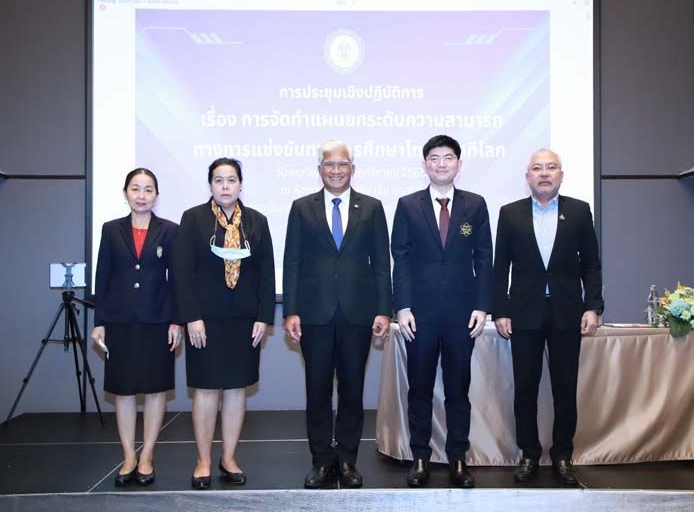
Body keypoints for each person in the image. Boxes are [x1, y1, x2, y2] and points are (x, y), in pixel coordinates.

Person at [283, 139, 392, 489]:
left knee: (352, 389)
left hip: (358, 314)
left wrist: (384, 310)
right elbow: (292, 262)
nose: (335, 170)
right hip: (314, 314)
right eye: (329, 164)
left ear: (352, 169)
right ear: (319, 170)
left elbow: (381, 264)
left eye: (342, 164)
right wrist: (290, 311)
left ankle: (347, 460)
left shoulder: (372, 208)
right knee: (316, 390)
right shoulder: (302, 208)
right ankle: (321, 461)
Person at [493, 149, 603, 486]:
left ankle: (562, 455)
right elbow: (500, 267)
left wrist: (593, 306)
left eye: (551, 167)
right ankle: (528, 454)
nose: (544, 173)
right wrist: (501, 310)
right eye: (537, 168)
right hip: (523, 314)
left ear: (561, 174)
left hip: (567, 313)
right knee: (525, 388)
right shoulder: (510, 213)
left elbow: (591, 264)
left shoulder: (579, 211)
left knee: (564, 388)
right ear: (528, 176)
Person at [391, 134, 493, 488]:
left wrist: (482, 305)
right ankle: (420, 457)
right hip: (419, 315)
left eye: (448, 157)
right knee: (419, 389)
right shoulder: (408, 205)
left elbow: (484, 258)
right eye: (434, 158)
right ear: (425, 165)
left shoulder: (475, 205)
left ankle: (458, 459)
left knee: (457, 390)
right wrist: (402, 306)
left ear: (458, 164)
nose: (441, 164)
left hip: (462, 315)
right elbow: (401, 258)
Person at [171, 158, 275, 490]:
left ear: (241, 185)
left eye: (231, 180)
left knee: (235, 390)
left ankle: (228, 458)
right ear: (210, 185)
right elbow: (182, 273)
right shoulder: (193, 219)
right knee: (205, 390)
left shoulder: (257, 221)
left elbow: (267, 273)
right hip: (204, 321)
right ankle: (203, 460)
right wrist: (191, 317)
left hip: (244, 322)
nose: (225, 186)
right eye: (219, 180)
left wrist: (264, 316)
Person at [90, 168, 182, 487]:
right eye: (135, 188)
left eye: (148, 189)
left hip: (158, 321)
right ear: (125, 192)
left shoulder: (170, 230)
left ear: (156, 195)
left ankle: (147, 456)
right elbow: (103, 277)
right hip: (120, 321)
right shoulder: (111, 229)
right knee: (124, 391)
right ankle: (129, 456)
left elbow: (177, 281)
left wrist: (176, 321)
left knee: (156, 390)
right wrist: (100, 322)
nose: (141, 195)